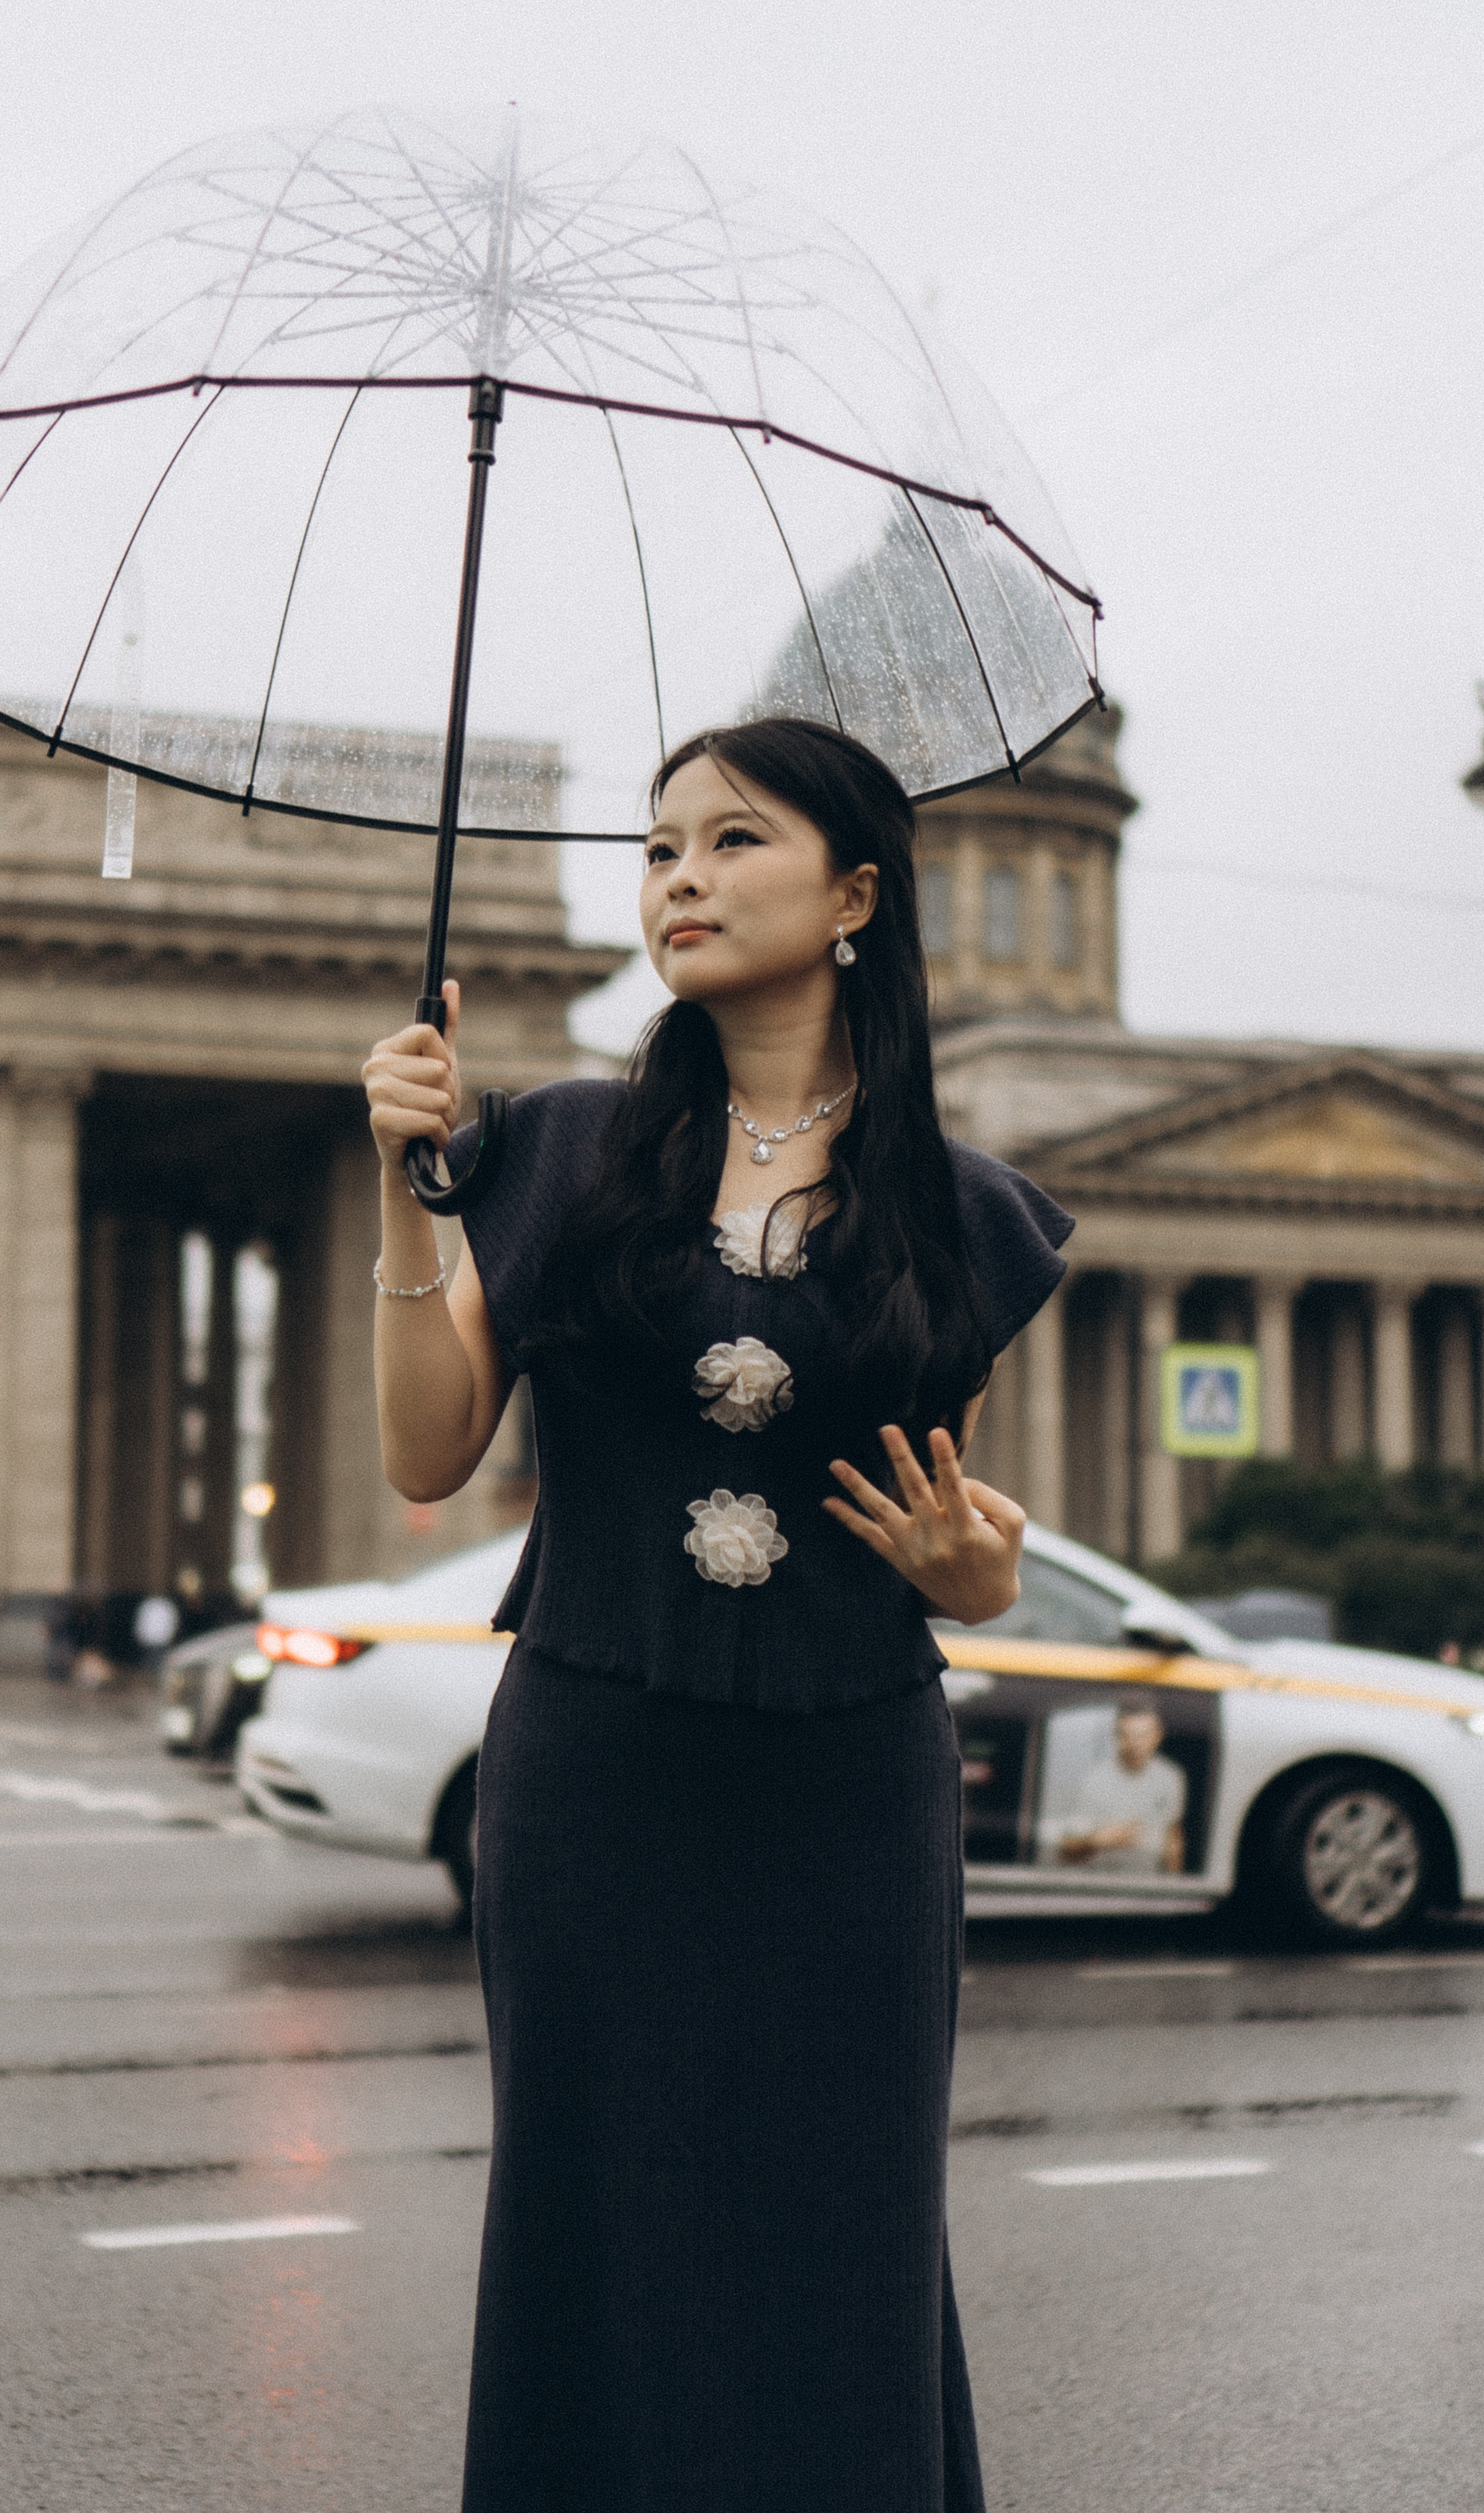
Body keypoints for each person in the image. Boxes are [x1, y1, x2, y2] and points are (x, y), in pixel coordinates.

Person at [366, 718, 1073, 2513]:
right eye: (660, 847)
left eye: (731, 841)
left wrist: (976, 1581)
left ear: (853, 895)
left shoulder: (957, 1210)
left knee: (842, 2237)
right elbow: (429, 1456)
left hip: (847, 1779)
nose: (679, 877)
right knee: (593, 2220)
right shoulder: (557, 1147)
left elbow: (955, 1520)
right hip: (596, 1764)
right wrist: (407, 1193)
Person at [1054, 1695, 1187, 1874]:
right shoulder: (1094, 1781)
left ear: (1158, 1736)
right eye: (1126, 1735)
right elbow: (1066, 1850)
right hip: (1104, 1886)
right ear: (1116, 1736)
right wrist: (1098, 1841)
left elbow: (1172, 1838)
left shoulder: (1170, 1777)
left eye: (1143, 1735)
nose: (1135, 1743)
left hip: (1150, 1888)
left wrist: (1174, 1889)